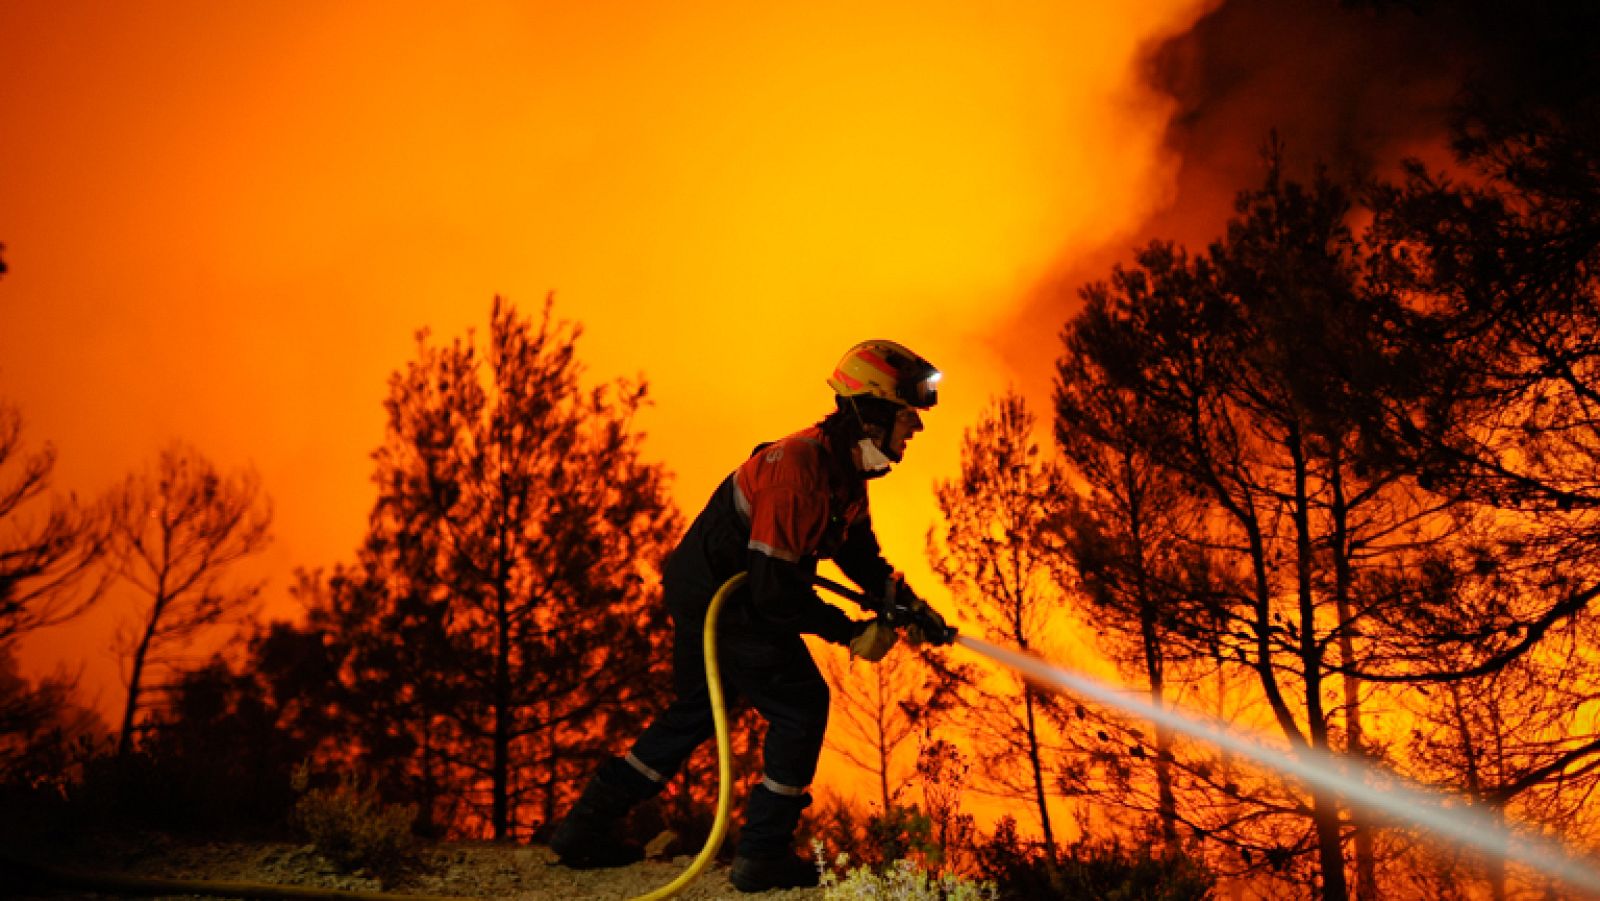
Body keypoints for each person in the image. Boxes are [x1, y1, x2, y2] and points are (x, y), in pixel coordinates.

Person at [548, 339, 951, 893]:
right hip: (729, 596)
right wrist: (852, 632)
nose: (917, 430)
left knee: (692, 711)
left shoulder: (842, 471)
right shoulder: (799, 471)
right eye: (910, 417)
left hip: (713, 588)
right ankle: (761, 854)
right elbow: (774, 597)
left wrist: (910, 608)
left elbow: (858, 556)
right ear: (873, 413)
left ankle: (584, 827)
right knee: (802, 705)